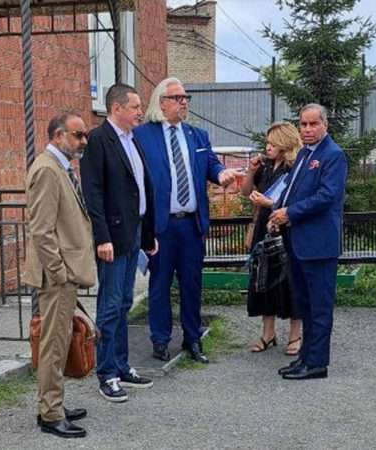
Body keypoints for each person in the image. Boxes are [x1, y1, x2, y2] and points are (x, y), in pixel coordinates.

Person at [134, 77, 241, 364]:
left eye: (186, 98)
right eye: (178, 98)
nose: (184, 102)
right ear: (162, 102)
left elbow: (211, 164)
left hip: (191, 225)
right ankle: (160, 340)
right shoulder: (142, 136)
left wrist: (220, 174)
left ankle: (192, 338)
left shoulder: (197, 135)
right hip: (161, 225)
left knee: (192, 284)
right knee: (159, 285)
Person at [80, 84, 158, 403]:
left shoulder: (131, 139)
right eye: (135, 107)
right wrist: (102, 237)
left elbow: (141, 188)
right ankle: (106, 373)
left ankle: (122, 366)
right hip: (112, 236)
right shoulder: (99, 140)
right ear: (116, 109)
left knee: (125, 302)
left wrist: (148, 236)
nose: (140, 112)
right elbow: (93, 192)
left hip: (133, 231)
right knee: (110, 306)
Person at [23, 111, 95, 438]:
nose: (83, 141)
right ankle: (50, 414)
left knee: (60, 341)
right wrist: (59, 272)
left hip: (62, 272)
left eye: (84, 135)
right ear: (57, 136)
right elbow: (42, 230)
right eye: (77, 135)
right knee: (53, 344)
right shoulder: (47, 170)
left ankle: (54, 405)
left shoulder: (59, 167)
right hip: (56, 277)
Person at [268, 104, 348, 380]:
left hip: (319, 245)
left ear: (325, 124)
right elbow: (291, 190)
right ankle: (304, 357)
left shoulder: (333, 155)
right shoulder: (304, 153)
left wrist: (289, 213)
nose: (308, 129)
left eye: (314, 124)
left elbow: (327, 196)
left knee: (319, 307)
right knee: (305, 304)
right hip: (297, 241)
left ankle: (317, 364)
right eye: (303, 124)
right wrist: (277, 214)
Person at [240, 122, 302, 355]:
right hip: (263, 229)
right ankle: (268, 333)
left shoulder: (294, 168)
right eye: (267, 143)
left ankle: (295, 335)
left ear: (285, 144)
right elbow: (245, 191)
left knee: (290, 282)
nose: (267, 147)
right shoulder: (265, 166)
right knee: (263, 280)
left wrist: (269, 203)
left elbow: (296, 201)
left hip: (286, 228)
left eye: (272, 143)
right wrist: (251, 171)